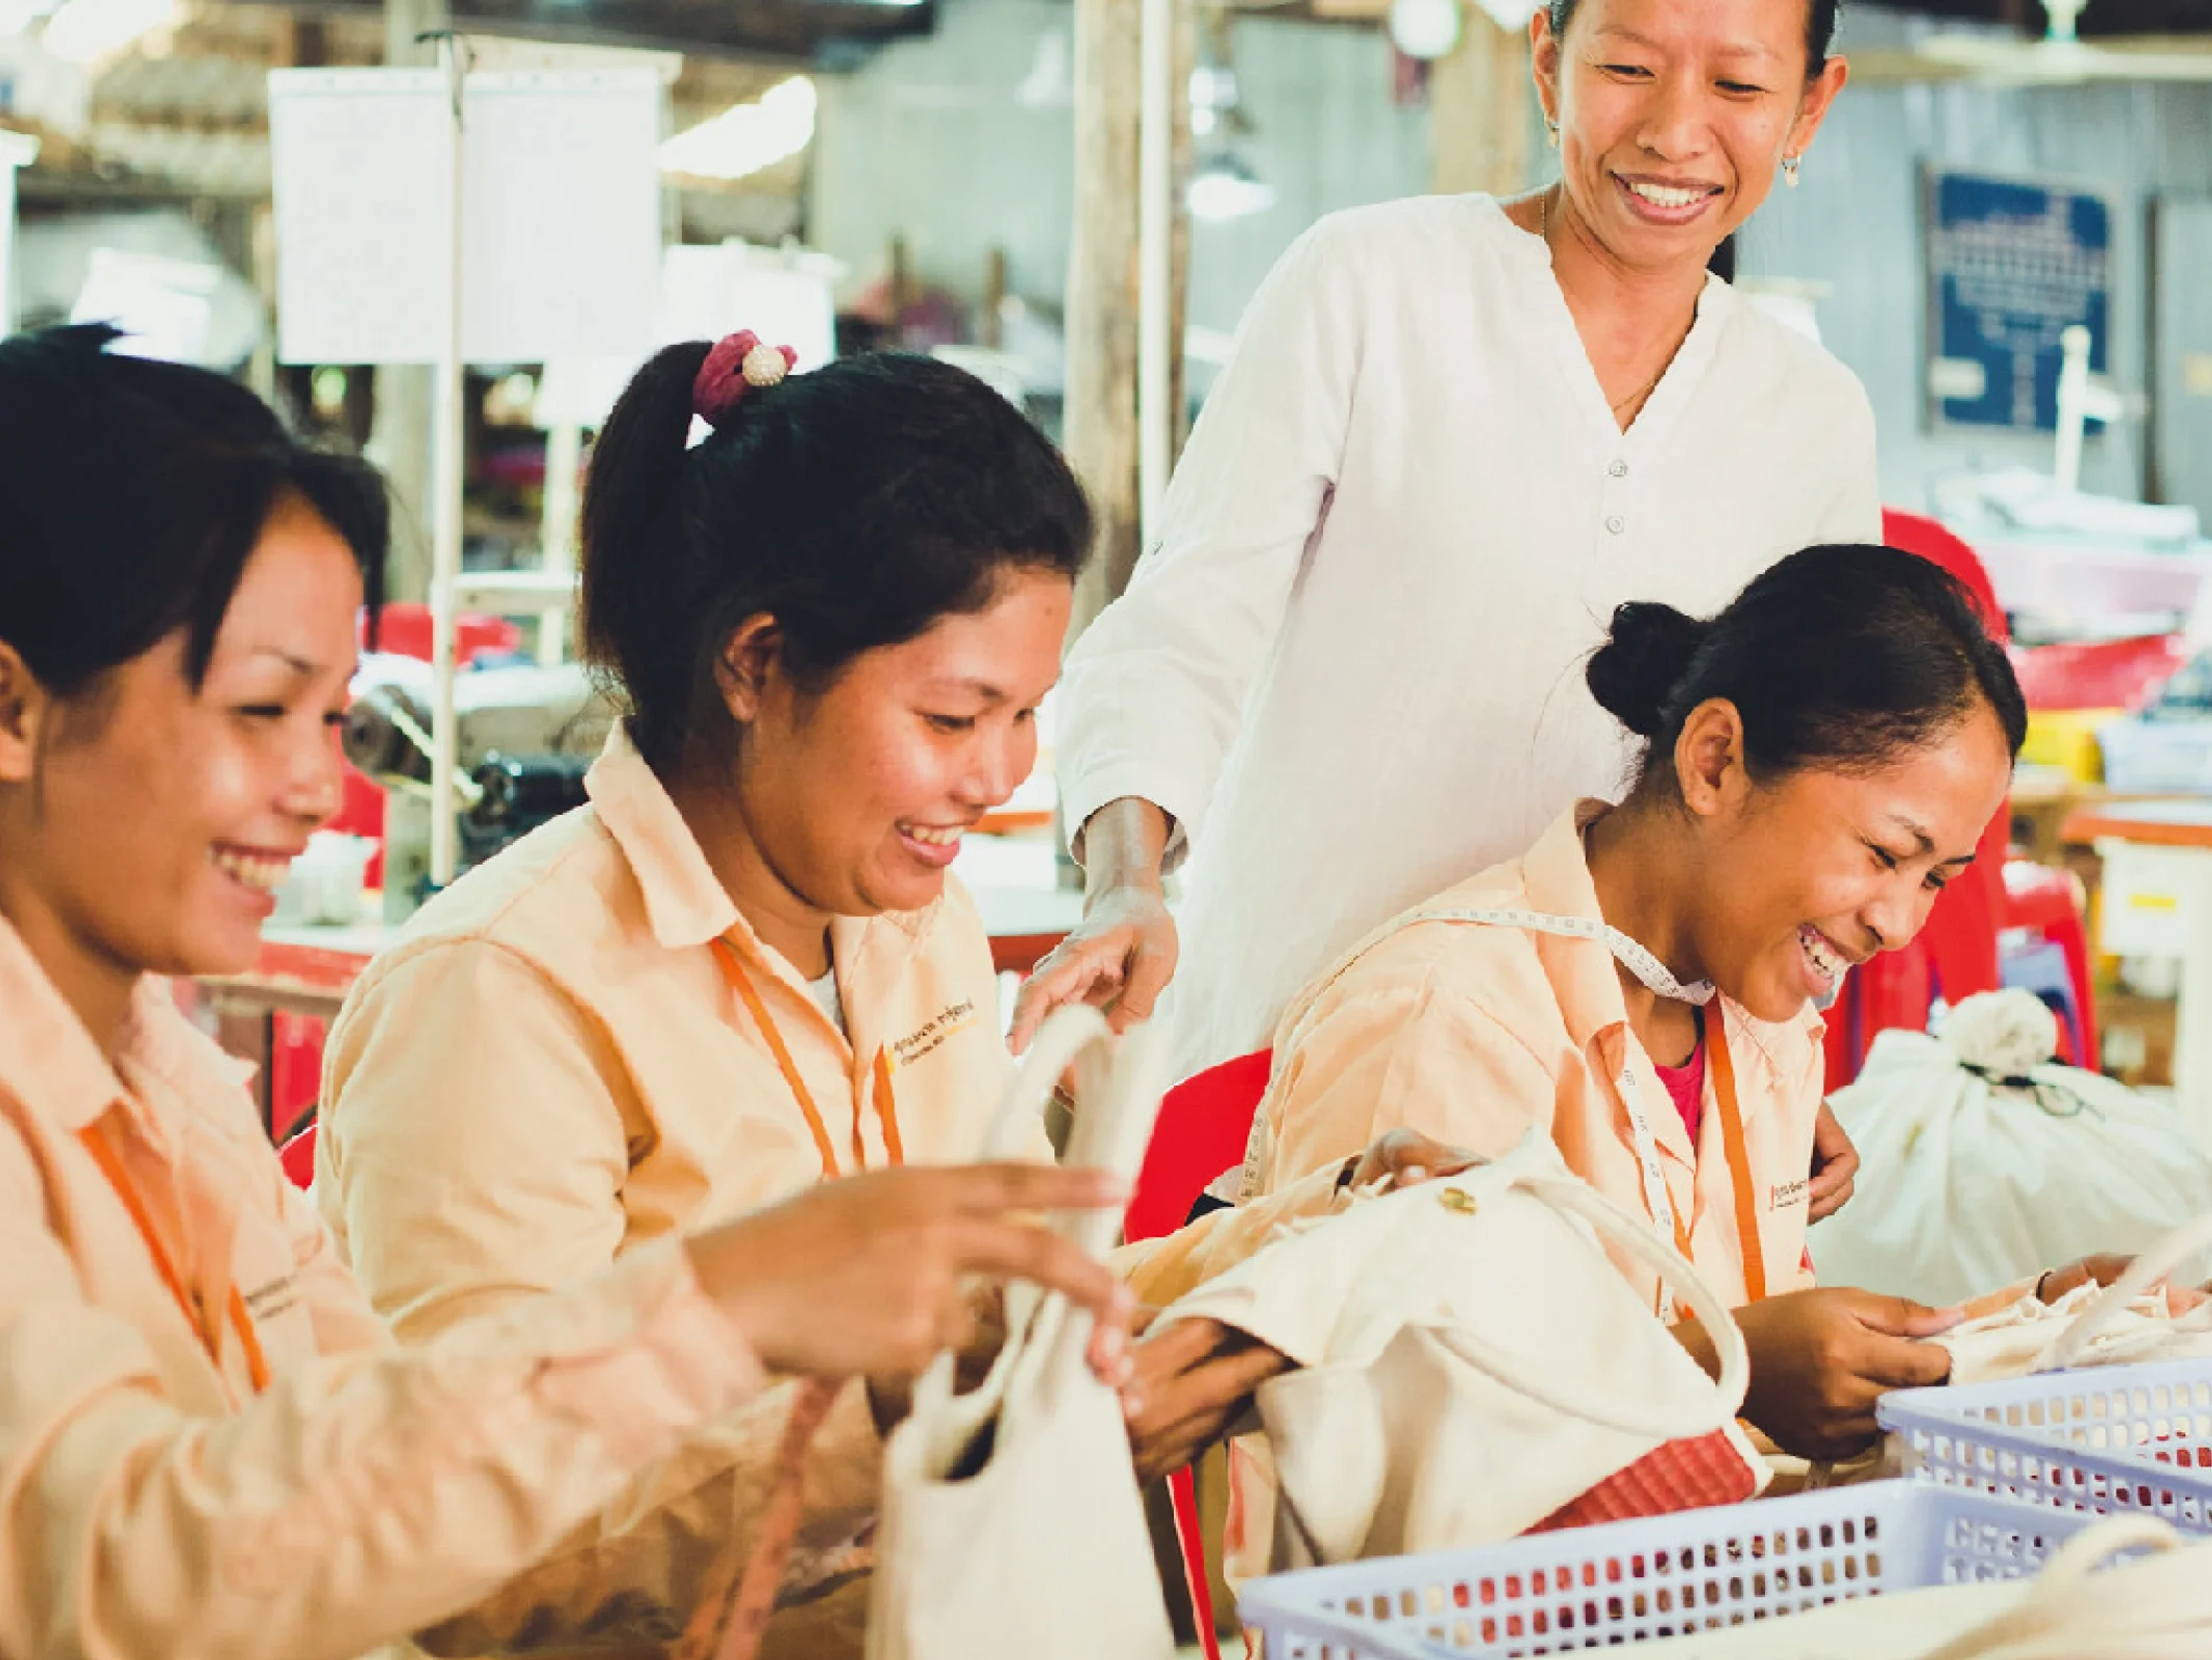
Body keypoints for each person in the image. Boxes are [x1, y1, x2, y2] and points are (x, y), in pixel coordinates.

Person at [0, 324, 1141, 1660]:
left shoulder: (172, 1091)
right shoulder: (497, 986)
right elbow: (136, 1560)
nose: (318, 790)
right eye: (262, 712)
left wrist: (1205, 1294)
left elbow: (386, 1470)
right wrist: (741, 1317)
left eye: (331, 719)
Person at [312, 336, 1432, 1654]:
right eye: (954, 720)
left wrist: (1310, 1229)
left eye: (1027, 718)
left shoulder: (912, 926)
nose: (998, 779)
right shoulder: (502, 998)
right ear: (756, 663)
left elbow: (1017, 1300)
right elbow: (481, 1557)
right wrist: (918, 1434)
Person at [1013, 0, 1877, 1183]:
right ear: (1548, 64)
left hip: (1599, 1117)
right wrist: (1123, 886)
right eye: (1629, 67)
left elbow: (1805, 798)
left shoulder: (1813, 420)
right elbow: (1181, 628)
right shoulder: (1371, 286)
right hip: (1282, 1059)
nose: (1677, 132)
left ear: (1811, 107)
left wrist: (1775, 1065)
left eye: (1738, 87)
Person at [1233, 546, 2197, 1573]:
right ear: (1716, 763)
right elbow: (1384, 1478)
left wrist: (2041, 1324)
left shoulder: (1759, 1023)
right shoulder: (1445, 1019)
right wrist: (1716, 1372)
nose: (1899, 924)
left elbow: (1778, 1372)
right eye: (1884, 855)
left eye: (1936, 880)